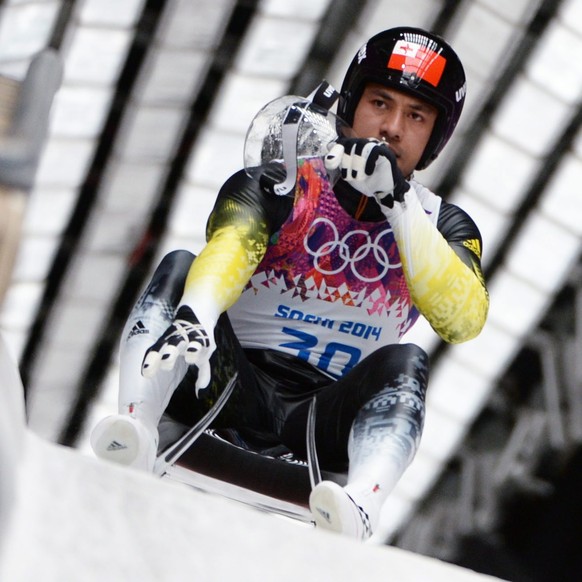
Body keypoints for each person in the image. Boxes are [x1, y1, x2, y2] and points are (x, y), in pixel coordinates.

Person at [91, 26, 489, 541]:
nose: (391, 128)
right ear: (351, 104)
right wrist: (198, 316)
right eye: (380, 103)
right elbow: (231, 244)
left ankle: (363, 504)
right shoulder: (287, 180)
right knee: (179, 267)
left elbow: (463, 320)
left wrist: (398, 208)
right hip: (228, 386)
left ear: (434, 138)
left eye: (415, 116)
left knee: (408, 361)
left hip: (323, 426)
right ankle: (135, 425)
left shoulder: (444, 226)